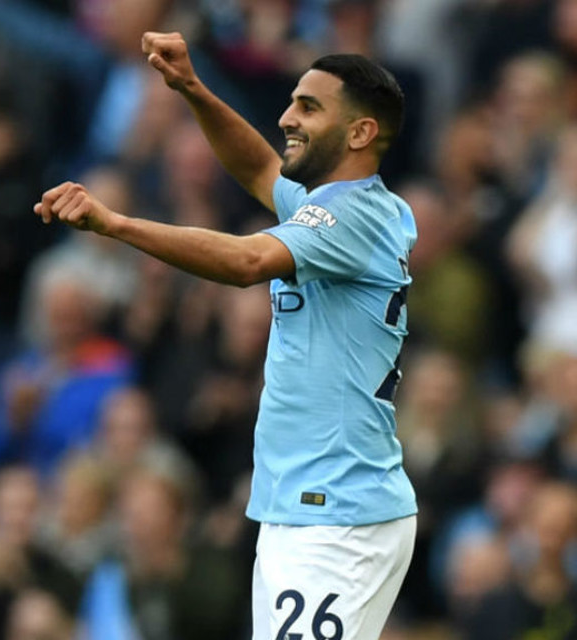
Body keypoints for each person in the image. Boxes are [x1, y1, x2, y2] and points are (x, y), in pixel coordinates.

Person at [34, 31, 418, 640]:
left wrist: (117, 224)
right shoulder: (345, 206)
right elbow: (259, 167)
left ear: (361, 133)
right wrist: (191, 88)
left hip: (334, 514)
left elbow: (244, 263)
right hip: (307, 507)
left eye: (309, 107)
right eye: (292, 101)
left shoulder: (350, 215)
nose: (287, 117)